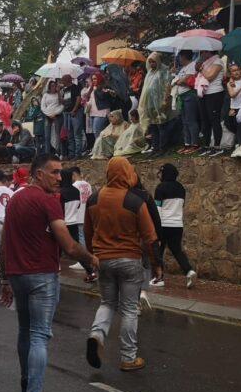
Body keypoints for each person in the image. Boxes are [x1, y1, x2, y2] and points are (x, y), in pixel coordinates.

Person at [0, 154, 97, 392]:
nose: (59, 177)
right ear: (38, 174)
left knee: (25, 331)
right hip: (42, 276)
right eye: (54, 172)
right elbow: (69, 245)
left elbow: (5, 242)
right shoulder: (48, 201)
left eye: (60, 172)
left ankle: (26, 380)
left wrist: (5, 278)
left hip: (18, 276)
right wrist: (91, 259)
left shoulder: (15, 200)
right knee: (40, 336)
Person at [84, 156, 159, 372]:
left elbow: (88, 233)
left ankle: (97, 335)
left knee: (107, 303)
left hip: (103, 260)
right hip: (130, 260)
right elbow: (150, 237)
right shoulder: (134, 201)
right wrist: (155, 264)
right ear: (127, 173)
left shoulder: (94, 199)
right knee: (128, 309)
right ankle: (128, 357)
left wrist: (92, 257)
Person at [154, 163, 196, 287]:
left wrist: (156, 226)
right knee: (177, 250)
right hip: (177, 225)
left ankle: (159, 278)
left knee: (159, 251)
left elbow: (158, 209)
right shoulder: (181, 188)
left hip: (163, 224)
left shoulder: (160, 188)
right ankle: (189, 270)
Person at [138, 53, 169, 154]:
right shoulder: (149, 73)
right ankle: (155, 147)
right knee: (153, 126)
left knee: (161, 125)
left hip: (159, 103)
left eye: (153, 62)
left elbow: (166, 86)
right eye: (150, 62)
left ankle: (162, 147)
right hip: (149, 103)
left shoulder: (163, 71)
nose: (151, 64)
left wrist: (165, 100)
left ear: (158, 61)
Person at [197, 49, 226, 155]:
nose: (202, 54)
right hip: (203, 93)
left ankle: (217, 146)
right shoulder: (205, 63)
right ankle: (207, 145)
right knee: (205, 120)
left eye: (204, 52)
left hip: (215, 93)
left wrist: (201, 69)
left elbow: (210, 76)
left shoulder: (218, 61)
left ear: (209, 52)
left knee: (214, 120)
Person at [172, 51, 200, 154]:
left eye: (179, 57)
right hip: (181, 96)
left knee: (191, 120)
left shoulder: (192, 65)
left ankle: (195, 144)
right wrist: (177, 78)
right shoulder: (183, 68)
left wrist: (178, 81)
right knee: (184, 121)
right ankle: (187, 143)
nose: (178, 59)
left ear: (184, 57)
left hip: (189, 95)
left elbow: (183, 80)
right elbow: (175, 80)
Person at [60, 168, 84, 248]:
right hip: (74, 223)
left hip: (63, 224)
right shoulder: (76, 191)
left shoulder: (61, 192)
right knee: (75, 247)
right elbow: (78, 205)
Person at [40, 79, 64, 155]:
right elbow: (43, 107)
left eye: (54, 85)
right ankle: (47, 154)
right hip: (48, 116)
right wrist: (49, 114)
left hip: (57, 116)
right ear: (49, 86)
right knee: (47, 136)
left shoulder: (60, 93)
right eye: (52, 86)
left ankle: (58, 152)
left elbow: (62, 105)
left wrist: (55, 113)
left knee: (58, 135)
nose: (53, 87)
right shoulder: (45, 95)